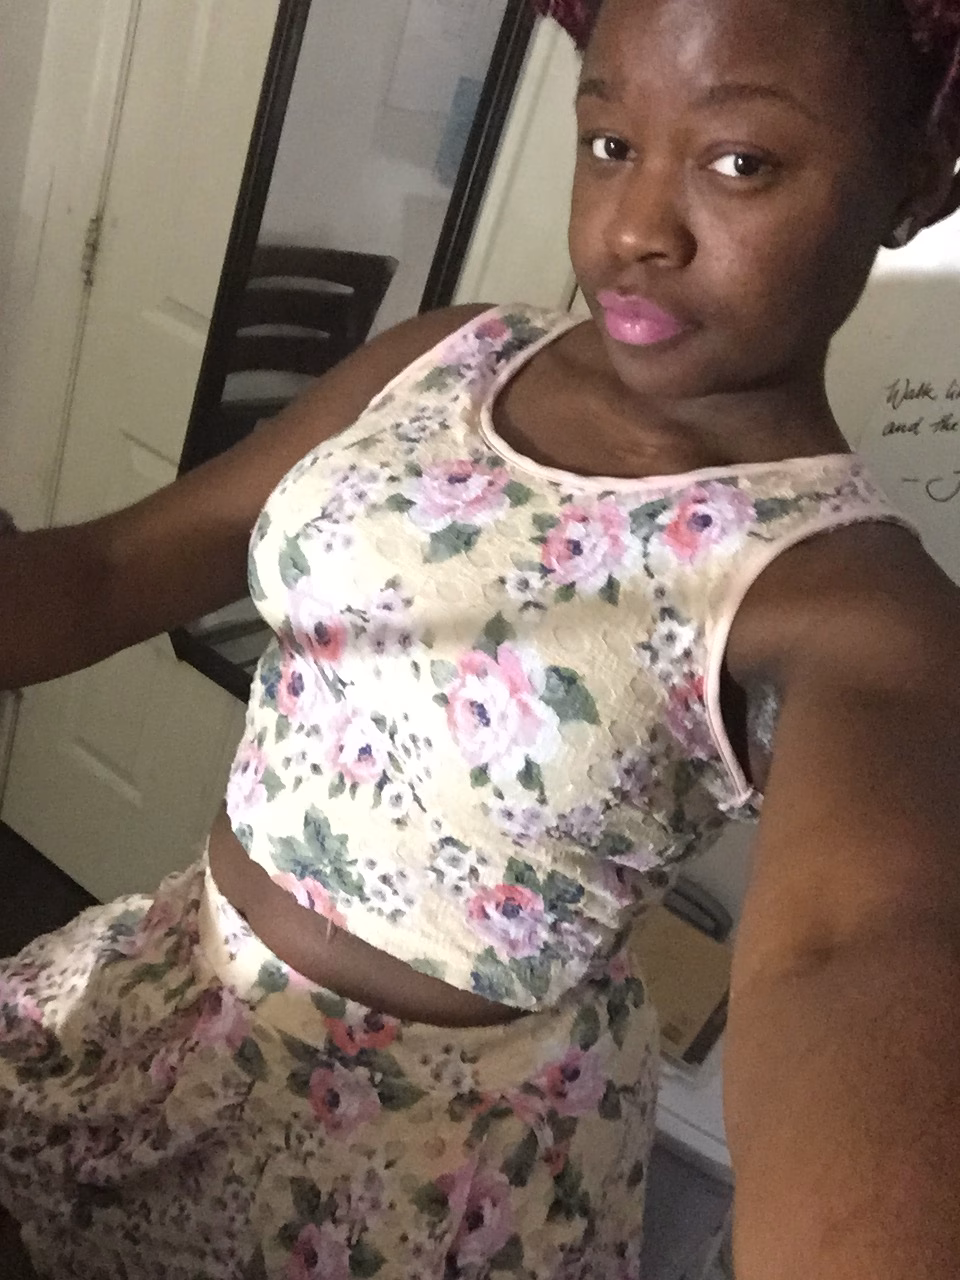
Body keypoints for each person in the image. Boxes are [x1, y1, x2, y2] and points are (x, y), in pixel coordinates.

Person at [2, 0, 960, 1274]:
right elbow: (111, 569)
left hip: (418, 1176)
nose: (635, 229)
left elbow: (855, 949)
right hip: (180, 1000)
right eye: (610, 141)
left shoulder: (853, 600)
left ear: (920, 177)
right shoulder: (453, 355)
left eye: (741, 161)